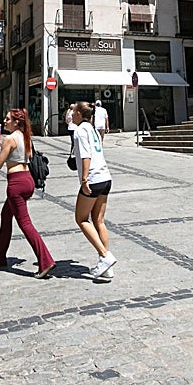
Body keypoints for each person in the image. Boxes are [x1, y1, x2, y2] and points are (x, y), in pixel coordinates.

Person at [0, 108, 56, 277]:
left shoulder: (9, 139)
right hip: (28, 181)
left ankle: (46, 261)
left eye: (8, 119)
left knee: (25, 223)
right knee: (6, 216)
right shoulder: (25, 136)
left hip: (16, 184)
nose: (4, 121)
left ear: (16, 122)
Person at [71, 102, 116, 281]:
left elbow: (86, 156)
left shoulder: (80, 130)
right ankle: (106, 266)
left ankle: (105, 256)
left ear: (79, 114)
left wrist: (84, 180)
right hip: (105, 177)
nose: (71, 114)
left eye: (74, 111)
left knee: (81, 219)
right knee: (99, 220)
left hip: (93, 179)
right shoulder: (93, 130)